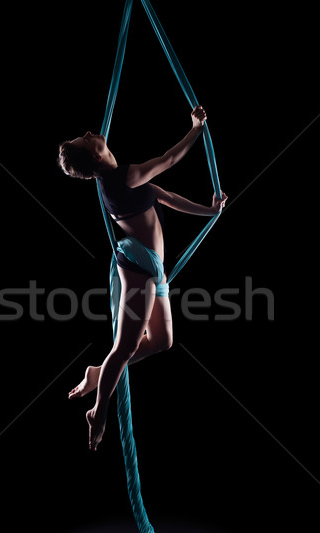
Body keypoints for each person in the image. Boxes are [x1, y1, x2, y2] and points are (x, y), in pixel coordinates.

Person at [58, 106, 227, 451]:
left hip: (152, 267)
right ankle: (98, 411)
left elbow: (166, 196)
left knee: (162, 341)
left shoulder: (122, 178)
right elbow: (168, 159)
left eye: (87, 134)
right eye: (86, 139)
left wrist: (209, 212)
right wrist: (195, 129)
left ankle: (98, 373)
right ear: (94, 156)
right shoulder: (121, 179)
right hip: (137, 265)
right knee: (126, 347)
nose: (91, 133)